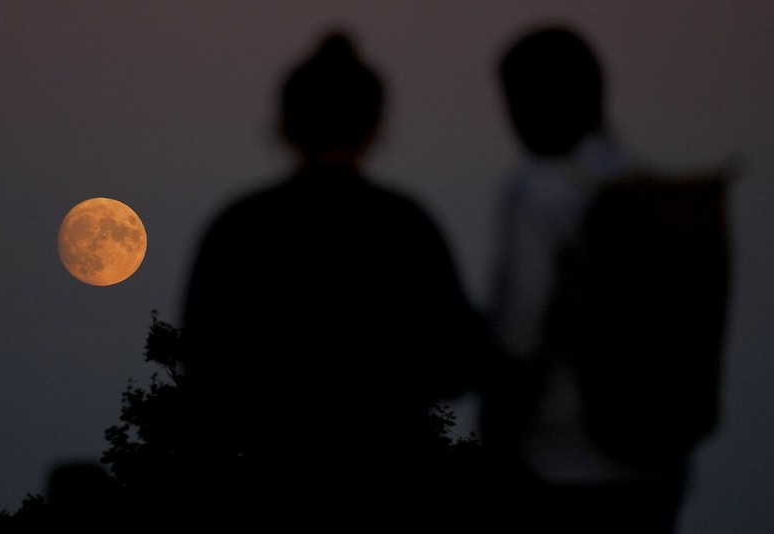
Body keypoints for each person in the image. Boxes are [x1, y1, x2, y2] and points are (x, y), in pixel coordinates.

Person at [180, 30, 487, 530]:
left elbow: (203, 372)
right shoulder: (406, 226)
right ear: (375, 124)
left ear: (285, 124)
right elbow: (456, 365)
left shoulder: (240, 227)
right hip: (392, 492)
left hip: (271, 490)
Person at [481, 25, 729, 533]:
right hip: (656, 456)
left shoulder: (537, 191)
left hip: (559, 458)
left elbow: (518, 335)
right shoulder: (643, 183)